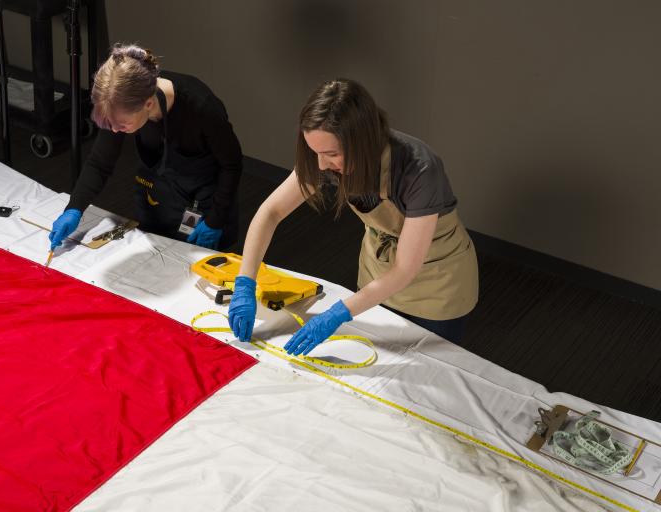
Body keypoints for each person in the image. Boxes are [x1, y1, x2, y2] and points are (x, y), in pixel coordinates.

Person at [228, 79, 478, 355]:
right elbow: (272, 211)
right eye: (315, 153)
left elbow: (406, 268)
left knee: (425, 371)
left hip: (436, 282)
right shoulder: (324, 155)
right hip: (379, 270)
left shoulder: (419, 168)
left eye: (332, 154)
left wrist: (338, 313)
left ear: (363, 141)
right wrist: (245, 282)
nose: (322, 164)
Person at [49, 44, 242, 251]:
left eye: (122, 125)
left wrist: (215, 219)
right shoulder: (119, 103)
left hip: (206, 204)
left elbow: (231, 165)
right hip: (157, 197)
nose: (114, 130)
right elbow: (99, 163)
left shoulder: (201, 106)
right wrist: (75, 208)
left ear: (148, 104)